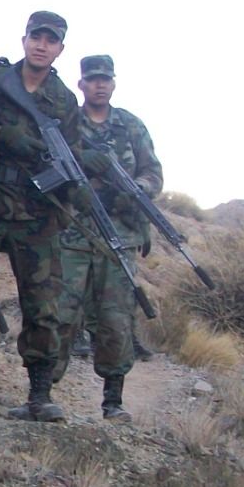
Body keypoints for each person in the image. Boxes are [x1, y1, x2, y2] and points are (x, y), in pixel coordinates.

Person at [0, 12, 83, 423]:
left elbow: (69, 155)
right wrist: (3, 137)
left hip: (36, 214)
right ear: (24, 39)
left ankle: (39, 393)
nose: (42, 45)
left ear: (59, 49)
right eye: (36, 37)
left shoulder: (64, 100)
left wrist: (68, 195)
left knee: (41, 305)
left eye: (50, 41)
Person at [55, 54, 163, 422]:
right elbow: (50, 164)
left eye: (106, 79)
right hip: (73, 234)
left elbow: (153, 173)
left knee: (115, 318)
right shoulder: (67, 124)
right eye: (92, 79)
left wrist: (133, 190)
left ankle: (113, 401)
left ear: (113, 84)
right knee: (61, 314)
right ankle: (41, 393)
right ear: (81, 84)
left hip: (119, 236)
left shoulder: (131, 126)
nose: (99, 85)